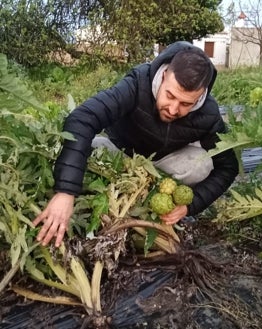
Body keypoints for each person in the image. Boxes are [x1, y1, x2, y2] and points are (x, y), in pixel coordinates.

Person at [33, 41, 239, 247]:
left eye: (186, 104)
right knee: (87, 147)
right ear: (165, 75)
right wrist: (66, 191)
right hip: (120, 154)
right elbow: (83, 118)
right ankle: (110, 203)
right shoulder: (137, 83)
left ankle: (161, 208)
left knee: (200, 164)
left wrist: (191, 205)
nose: (174, 109)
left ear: (201, 95)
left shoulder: (208, 114)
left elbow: (228, 168)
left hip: (164, 165)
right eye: (170, 96)